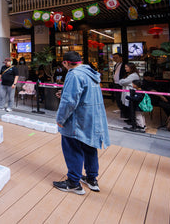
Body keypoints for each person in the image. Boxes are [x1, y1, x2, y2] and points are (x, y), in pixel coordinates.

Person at [53, 51, 110, 195]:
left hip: (77, 120)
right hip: (92, 118)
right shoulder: (91, 73)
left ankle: (73, 182)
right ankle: (92, 179)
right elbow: (83, 94)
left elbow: (70, 102)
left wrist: (60, 119)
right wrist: (65, 92)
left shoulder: (73, 74)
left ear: (66, 63)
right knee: (90, 147)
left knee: (72, 148)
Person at [112, 53, 127, 118]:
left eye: (116, 57)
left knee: (122, 98)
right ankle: (122, 110)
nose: (114, 59)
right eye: (114, 57)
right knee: (117, 98)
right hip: (116, 84)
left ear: (121, 58)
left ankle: (124, 112)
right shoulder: (115, 65)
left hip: (121, 84)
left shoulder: (124, 65)